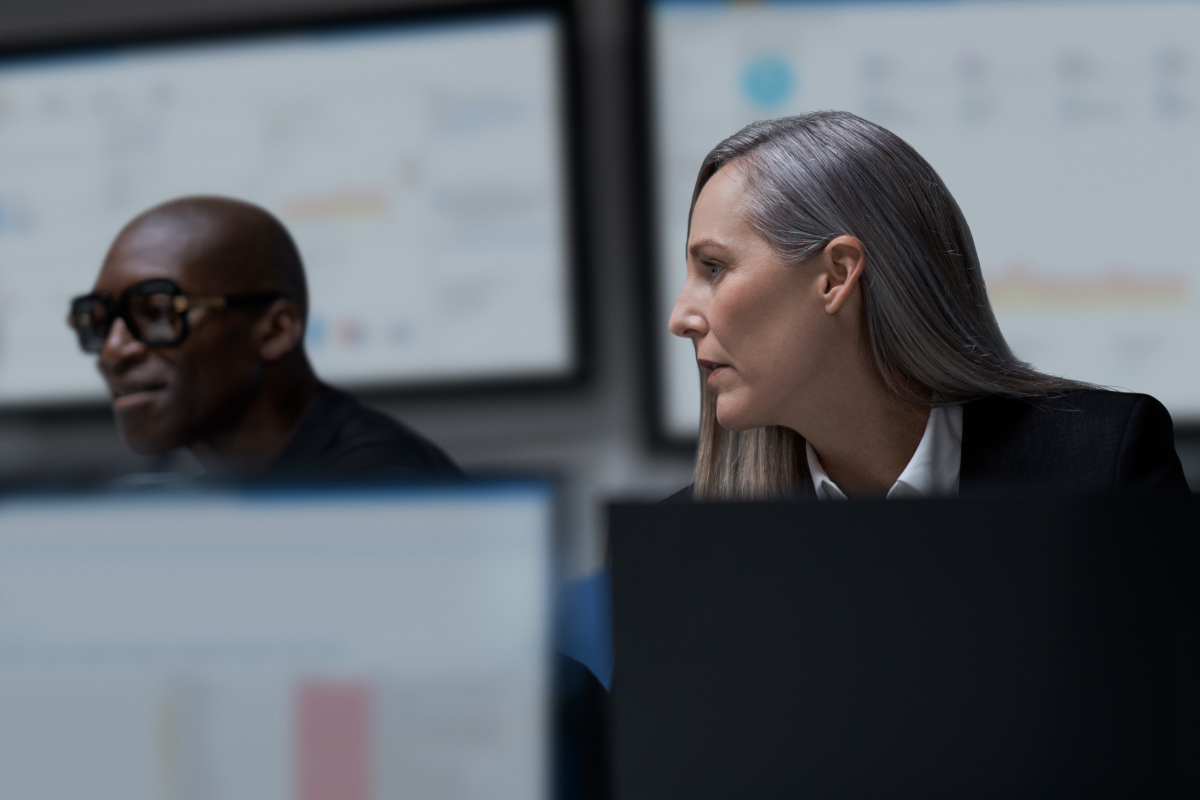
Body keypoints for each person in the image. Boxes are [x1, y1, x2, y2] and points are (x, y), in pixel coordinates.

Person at [666, 111, 1188, 500]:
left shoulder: (1100, 467)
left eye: (714, 268)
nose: (680, 319)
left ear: (836, 275)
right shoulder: (683, 540)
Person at [68, 196, 463, 483]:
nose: (112, 350)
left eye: (157, 312)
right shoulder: (227, 492)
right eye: (100, 321)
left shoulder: (377, 489)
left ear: (275, 331)